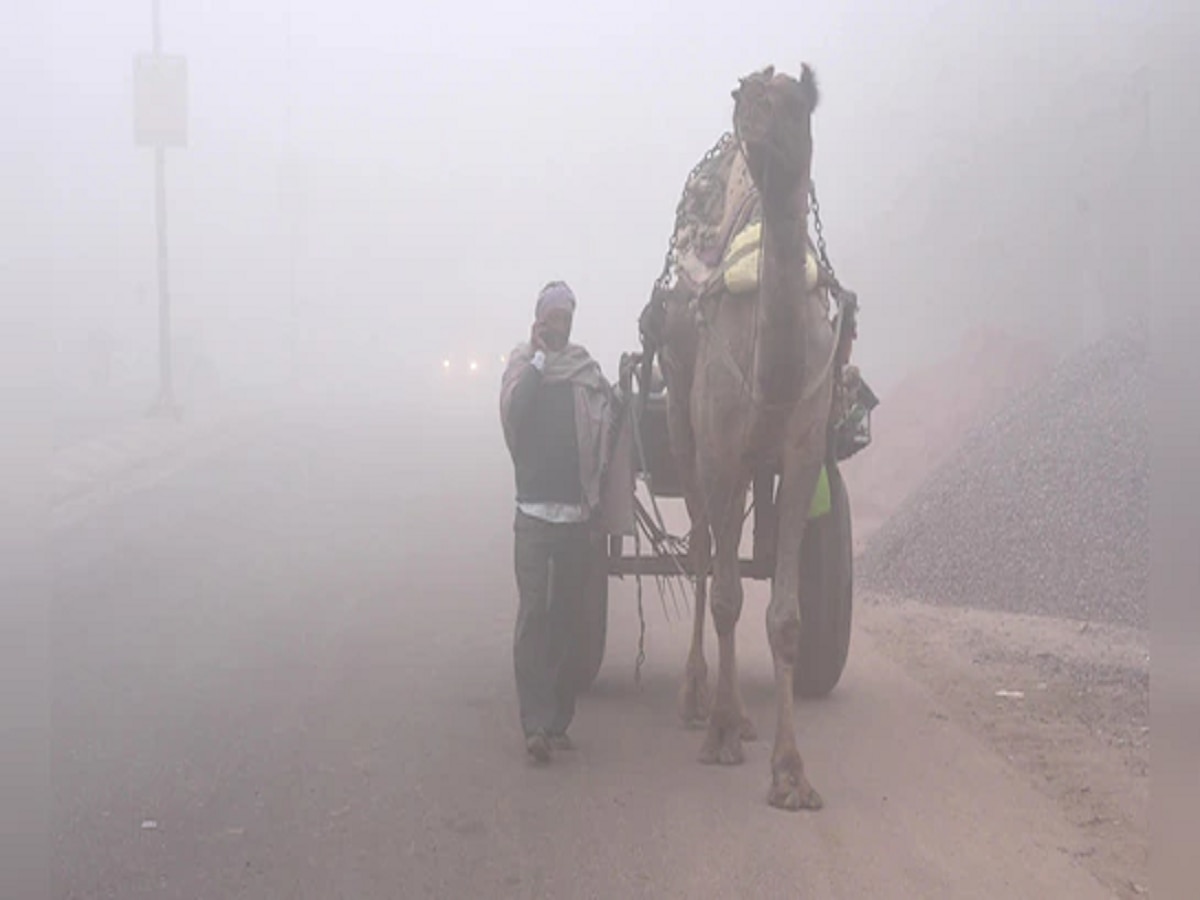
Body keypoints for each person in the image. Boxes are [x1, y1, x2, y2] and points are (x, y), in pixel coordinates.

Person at [499, 281, 615, 764]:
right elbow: (516, 413)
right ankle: (534, 724)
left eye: (566, 317)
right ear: (539, 320)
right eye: (552, 317)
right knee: (534, 617)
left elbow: (607, 422)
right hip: (532, 515)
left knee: (568, 619)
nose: (559, 324)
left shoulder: (586, 373)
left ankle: (559, 719)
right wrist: (541, 359)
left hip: (574, 518)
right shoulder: (523, 369)